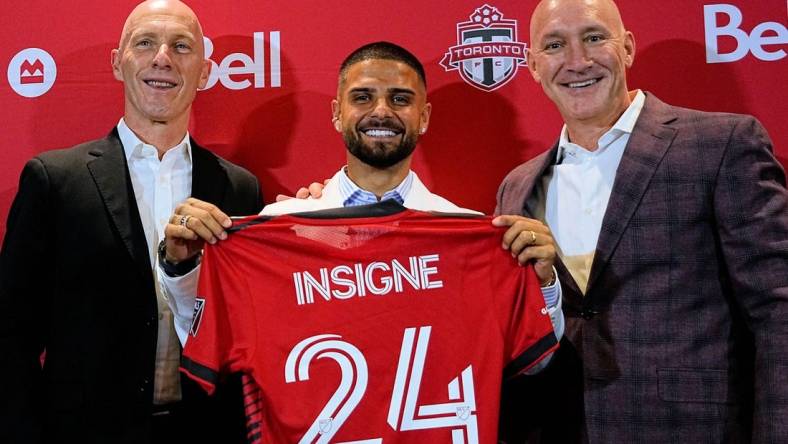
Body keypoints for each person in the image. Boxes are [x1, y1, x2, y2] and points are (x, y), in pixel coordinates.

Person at [495, 0, 788, 442]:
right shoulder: (517, 186)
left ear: (627, 47)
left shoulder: (722, 144)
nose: (577, 61)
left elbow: (777, 310)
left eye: (594, 38)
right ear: (534, 66)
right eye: (555, 45)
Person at [160, 41, 563, 349]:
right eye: (363, 97)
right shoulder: (279, 228)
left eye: (401, 99)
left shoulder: (471, 236)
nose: (382, 111)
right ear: (337, 113)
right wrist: (181, 267)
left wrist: (545, 284)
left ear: (423, 118)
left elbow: (531, 355)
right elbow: (208, 335)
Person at [0, 1, 261, 443]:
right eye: (145, 43)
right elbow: (10, 335)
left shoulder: (239, 188)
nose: (163, 58)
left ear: (204, 72)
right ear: (118, 63)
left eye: (181, 46)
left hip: (206, 430)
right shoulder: (55, 180)